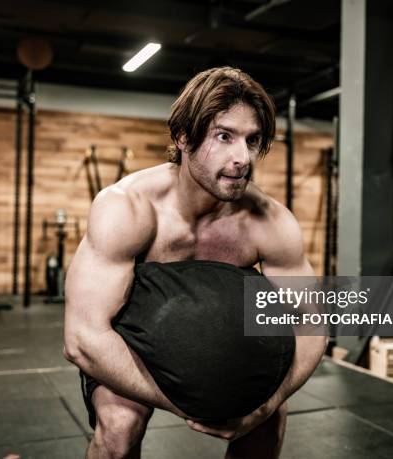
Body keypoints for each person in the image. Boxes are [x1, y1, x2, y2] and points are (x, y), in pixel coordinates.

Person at [64, 67, 327, 459]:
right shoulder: (127, 208)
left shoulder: (270, 221)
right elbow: (83, 339)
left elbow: (312, 322)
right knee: (119, 428)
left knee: (267, 426)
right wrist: (189, 401)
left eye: (252, 140)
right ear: (183, 136)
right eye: (224, 136)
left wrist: (264, 406)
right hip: (131, 340)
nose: (242, 158)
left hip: (210, 333)